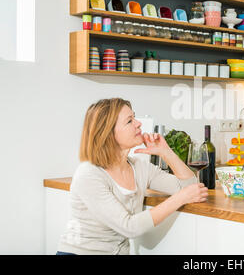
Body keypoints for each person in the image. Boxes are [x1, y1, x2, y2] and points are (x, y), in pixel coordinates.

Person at [57, 98, 208, 255]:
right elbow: (129, 227)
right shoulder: (89, 174)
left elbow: (190, 186)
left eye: (134, 117)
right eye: (129, 121)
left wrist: (166, 152)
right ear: (108, 133)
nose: (138, 123)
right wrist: (180, 198)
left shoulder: (139, 167)